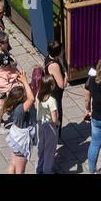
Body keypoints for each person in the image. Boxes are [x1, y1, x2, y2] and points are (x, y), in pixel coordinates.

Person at [36, 42, 67, 174]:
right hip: (55, 101)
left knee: (42, 146)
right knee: (49, 147)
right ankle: (47, 170)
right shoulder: (54, 65)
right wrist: (66, 75)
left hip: (42, 123)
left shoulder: (48, 58)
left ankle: (40, 168)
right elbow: (61, 84)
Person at [4, 71, 35, 174]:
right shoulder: (20, 109)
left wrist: (21, 82)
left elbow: (23, 94)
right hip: (21, 142)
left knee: (13, 164)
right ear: (21, 99)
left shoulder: (12, 105)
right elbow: (31, 98)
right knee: (20, 170)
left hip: (15, 139)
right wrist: (25, 81)